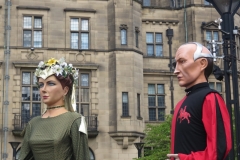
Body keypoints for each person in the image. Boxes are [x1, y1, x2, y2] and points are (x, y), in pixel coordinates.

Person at [166, 42, 232, 160]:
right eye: (175, 64)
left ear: (202, 63)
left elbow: (219, 150)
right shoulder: (180, 104)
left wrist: (185, 159)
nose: (176, 70)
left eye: (182, 61)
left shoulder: (210, 98)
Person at [19, 57, 90, 160]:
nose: (43, 89)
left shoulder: (76, 120)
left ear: (65, 90)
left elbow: (82, 157)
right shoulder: (33, 123)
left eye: (50, 83)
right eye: (41, 85)